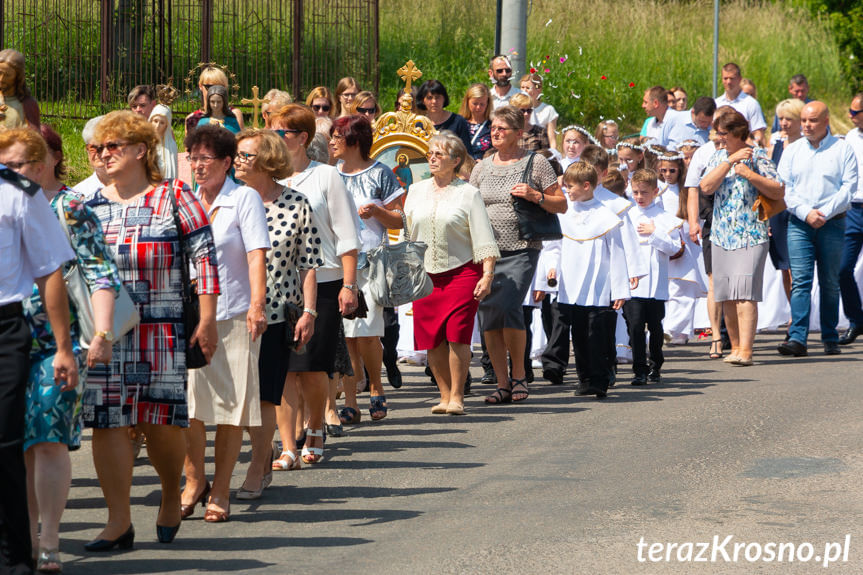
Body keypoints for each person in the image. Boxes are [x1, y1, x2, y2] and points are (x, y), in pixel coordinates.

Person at [82, 110, 220, 549]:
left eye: (113, 147)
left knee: (158, 420)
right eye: (98, 149)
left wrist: (208, 318)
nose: (103, 155)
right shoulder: (87, 205)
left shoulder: (175, 195)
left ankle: (167, 491)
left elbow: (205, 260)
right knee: (107, 423)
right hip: (106, 332)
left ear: (141, 150)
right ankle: (118, 521)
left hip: (160, 330)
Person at [0, 126, 117, 574]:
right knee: (17, 442)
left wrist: (100, 334)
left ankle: (47, 538)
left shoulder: (69, 207)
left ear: (47, 162)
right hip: (17, 335)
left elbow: (99, 272)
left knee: (46, 436)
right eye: (6, 164)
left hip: (55, 339)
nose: (13, 172)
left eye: (20, 165)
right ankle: (23, 534)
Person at [179, 125, 269, 522]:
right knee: (191, 406)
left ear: (227, 162)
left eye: (205, 159)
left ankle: (221, 487)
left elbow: (255, 254)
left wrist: (257, 304)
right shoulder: (185, 199)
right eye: (192, 158)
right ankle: (193, 479)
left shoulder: (244, 198)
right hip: (193, 317)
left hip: (234, 313)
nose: (197, 166)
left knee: (232, 407)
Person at [232, 128, 322, 494]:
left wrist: (310, 312)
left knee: (267, 393)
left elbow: (309, 263)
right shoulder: (227, 201)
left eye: (245, 156)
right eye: (236, 155)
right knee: (236, 396)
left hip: (273, 314)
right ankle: (257, 450)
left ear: (267, 162)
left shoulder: (296, 203)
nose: (236, 161)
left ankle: (258, 465)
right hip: (231, 312)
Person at [0, 152, 77, 575]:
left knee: (4, 443)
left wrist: (64, 347)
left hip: (5, 327)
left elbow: (51, 271)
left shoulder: (18, 193)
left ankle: (14, 558)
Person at [271, 104, 360, 441]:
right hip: (280, 283)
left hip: (324, 280)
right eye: (274, 132)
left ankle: (316, 426)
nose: (277, 139)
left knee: (311, 366)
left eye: (284, 133)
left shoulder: (326, 176)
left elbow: (347, 234)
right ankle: (290, 437)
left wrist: (349, 285)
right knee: (286, 368)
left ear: (303, 138)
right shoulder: (270, 177)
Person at [470, 105, 565, 404]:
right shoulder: (481, 166)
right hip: (486, 252)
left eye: (502, 129)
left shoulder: (535, 162)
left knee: (508, 305)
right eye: (493, 128)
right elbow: (469, 205)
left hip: (522, 248)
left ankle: (520, 374)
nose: (495, 133)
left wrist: (536, 196)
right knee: (488, 314)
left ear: (518, 134)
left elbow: (560, 204)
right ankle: (501, 382)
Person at [403, 132, 499, 415]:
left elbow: (483, 237)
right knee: (431, 337)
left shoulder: (469, 193)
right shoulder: (415, 191)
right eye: (430, 153)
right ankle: (444, 395)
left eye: (439, 154)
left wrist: (487, 274)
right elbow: (408, 235)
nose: (432, 158)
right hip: (425, 276)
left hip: (462, 272)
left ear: (456, 160)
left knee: (457, 334)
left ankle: (458, 395)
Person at [330, 115, 404, 421]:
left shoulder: (381, 173)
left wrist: (377, 211)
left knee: (368, 332)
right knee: (346, 333)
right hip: (337, 263)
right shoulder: (330, 174)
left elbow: (400, 219)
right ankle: (351, 400)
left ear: (353, 141)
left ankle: (376, 387)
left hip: (371, 263)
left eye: (337, 136)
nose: (331, 141)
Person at [699, 110, 783, 365]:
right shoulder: (717, 156)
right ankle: (734, 348)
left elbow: (779, 190)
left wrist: (749, 174)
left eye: (723, 133)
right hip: (722, 234)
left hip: (751, 233)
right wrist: (729, 162)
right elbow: (705, 187)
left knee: (745, 292)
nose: (719, 138)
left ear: (737, 132)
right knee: (727, 295)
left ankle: (746, 350)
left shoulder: (757, 155)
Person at [777, 102, 858, 356]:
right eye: (803, 120)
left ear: (826, 121)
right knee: (800, 281)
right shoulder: (793, 151)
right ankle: (798, 338)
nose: (806, 126)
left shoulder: (842, 149)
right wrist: (806, 213)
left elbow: (849, 187)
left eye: (811, 121)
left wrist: (824, 212)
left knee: (830, 282)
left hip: (832, 223)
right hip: (800, 223)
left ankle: (830, 336)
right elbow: (784, 187)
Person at [553, 161, 630, 398]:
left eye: (570, 187)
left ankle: (600, 379)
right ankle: (584, 378)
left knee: (597, 333)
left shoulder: (605, 216)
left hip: (599, 285)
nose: (567, 191)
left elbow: (617, 254)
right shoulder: (564, 213)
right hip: (571, 283)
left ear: (587, 186)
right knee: (578, 333)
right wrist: (552, 270)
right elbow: (555, 246)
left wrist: (620, 290)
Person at [623, 168, 683, 384]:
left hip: (655, 281)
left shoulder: (665, 218)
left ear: (656, 192)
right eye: (636, 192)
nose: (639, 197)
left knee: (655, 326)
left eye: (644, 193)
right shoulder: (627, 214)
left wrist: (654, 232)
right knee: (635, 325)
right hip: (633, 281)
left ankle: (655, 364)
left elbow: (674, 248)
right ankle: (639, 369)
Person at [767, 98, 806, 304]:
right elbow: (770, 179)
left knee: (796, 268)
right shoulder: (776, 146)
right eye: (781, 118)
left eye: (789, 118)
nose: (784, 123)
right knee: (784, 268)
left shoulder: (805, 146)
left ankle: (799, 317)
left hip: (798, 210)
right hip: (778, 212)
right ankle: (793, 311)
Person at [840, 93, 863, 346]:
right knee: (843, 268)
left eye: (855, 112)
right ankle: (856, 319)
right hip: (853, 210)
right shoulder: (849, 138)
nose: (850, 116)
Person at [715, 63, 767, 147]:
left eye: (732, 78)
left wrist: (752, 145)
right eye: (725, 78)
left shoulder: (751, 104)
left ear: (739, 79)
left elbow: (758, 132)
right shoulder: (717, 103)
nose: (728, 82)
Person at [184, 66, 244, 134]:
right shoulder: (192, 118)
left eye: (220, 87)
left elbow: (240, 141)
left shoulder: (234, 114)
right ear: (200, 86)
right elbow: (189, 143)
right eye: (209, 87)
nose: (214, 90)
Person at [416, 79, 472, 152]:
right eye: (430, 98)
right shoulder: (419, 124)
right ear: (423, 100)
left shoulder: (458, 121)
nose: (434, 101)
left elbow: (467, 152)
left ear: (444, 98)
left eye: (437, 97)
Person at [0, 48, 40, 129]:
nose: (1, 79)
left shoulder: (27, 104)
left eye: (7, 75)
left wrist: (8, 135)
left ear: (17, 77)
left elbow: (34, 137)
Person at [520, 73, 558, 152]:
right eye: (522, 87)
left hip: (540, 148)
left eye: (528, 88)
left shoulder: (548, 110)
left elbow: (552, 139)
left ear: (538, 89)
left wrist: (553, 155)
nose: (524, 91)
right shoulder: (517, 107)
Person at [73, 115, 109, 199]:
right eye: (92, 148)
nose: (99, 153)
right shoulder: (79, 193)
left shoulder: (137, 186)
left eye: (104, 147)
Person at [458, 83, 493, 160]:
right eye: (475, 103)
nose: (478, 107)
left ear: (487, 103)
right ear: (467, 102)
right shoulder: (458, 123)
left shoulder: (492, 126)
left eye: (482, 104)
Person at [149, 104, 178, 180]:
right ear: (151, 121)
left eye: (162, 123)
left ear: (166, 125)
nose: (157, 126)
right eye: (155, 121)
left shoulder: (171, 145)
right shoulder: (144, 142)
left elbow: (173, 172)